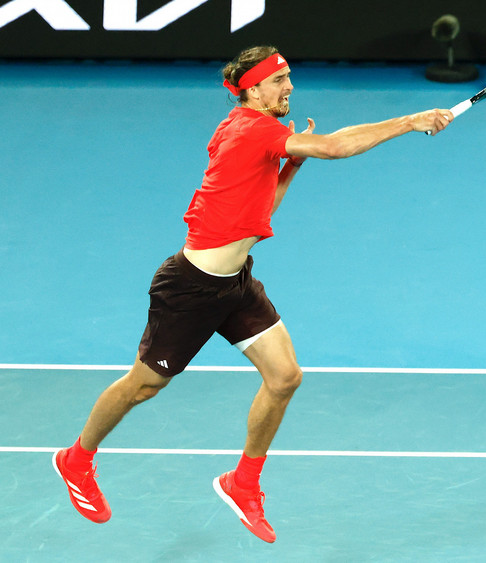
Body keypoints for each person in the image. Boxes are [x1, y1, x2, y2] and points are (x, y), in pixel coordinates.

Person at [51, 45, 453, 543]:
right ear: (253, 90)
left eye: (289, 78)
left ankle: (243, 482)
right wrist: (411, 120)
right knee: (144, 386)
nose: (289, 88)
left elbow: (262, 208)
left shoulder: (254, 132)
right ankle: (76, 458)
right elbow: (335, 147)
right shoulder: (255, 129)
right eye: (279, 81)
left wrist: (291, 166)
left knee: (284, 377)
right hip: (191, 289)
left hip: (235, 284)